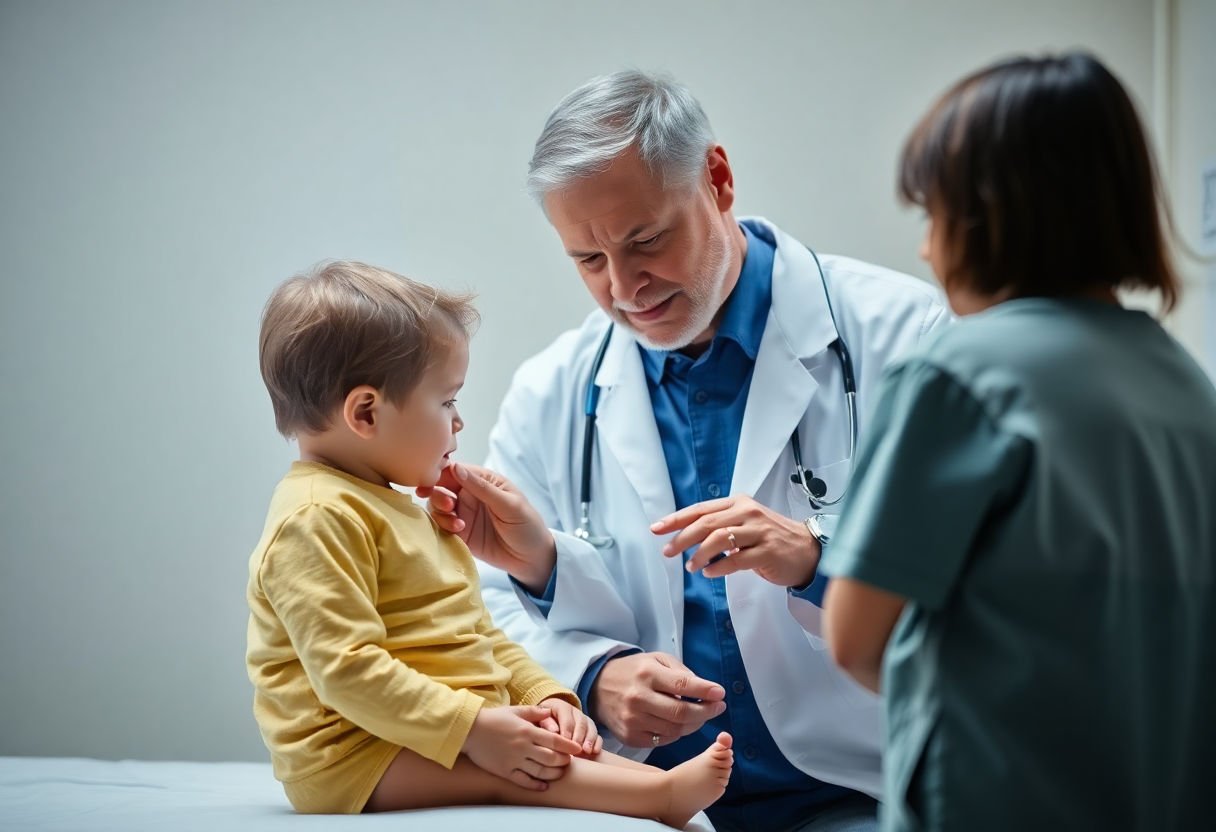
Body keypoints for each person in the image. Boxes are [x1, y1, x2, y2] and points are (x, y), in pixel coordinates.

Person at [421, 70, 948, 832]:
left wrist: (814, 557)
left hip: (861, 789)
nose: (625, 288)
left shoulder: (900, 336)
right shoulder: (553, 391)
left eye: (646, 241)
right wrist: (592, 676)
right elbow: (483, 602)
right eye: (588, 261)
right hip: (642, 804)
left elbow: (979, 581)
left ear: (719, 179)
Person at [820, 52, 1216, 830]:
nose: (927, 251)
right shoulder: (1187, 388)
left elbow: (854, 638)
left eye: (932, 217)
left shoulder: (957, 376)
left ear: (990, 215)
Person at [245, 260, 734, 825]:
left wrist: (545, 696)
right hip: (355, 755)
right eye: (446, 401)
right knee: (526, 775)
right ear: (366, 413)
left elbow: (479, 637)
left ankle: (657, 787)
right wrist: (474, 729)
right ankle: (662, 798)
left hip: (432, 729)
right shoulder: (315, 520)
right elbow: (346, 670)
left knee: (582, 759)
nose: (458, 423)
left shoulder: (409, 510)